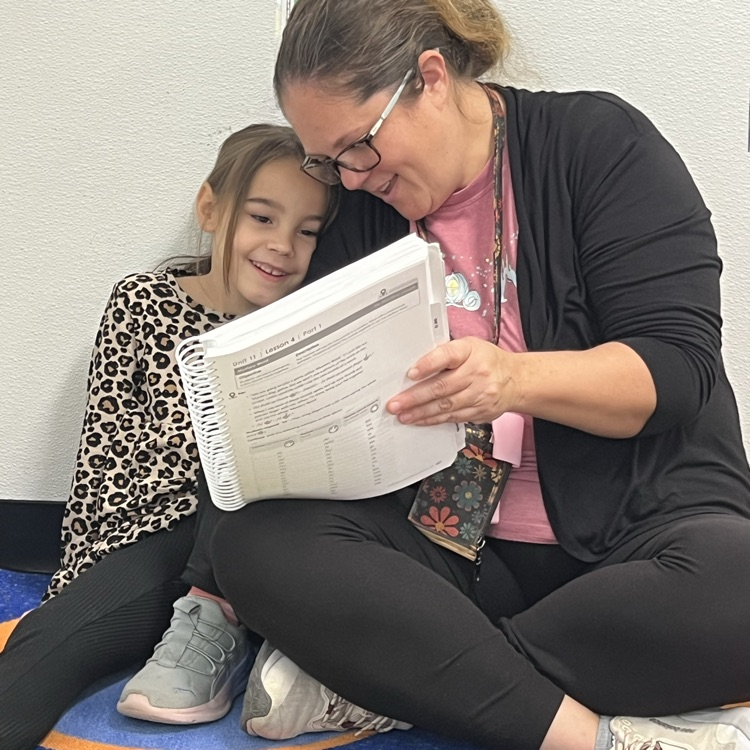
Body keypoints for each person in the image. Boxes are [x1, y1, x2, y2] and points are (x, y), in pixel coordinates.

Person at [196, 1, 750, 749]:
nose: (352, 179)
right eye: (327, 161)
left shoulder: (598, 144)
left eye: (359, 147)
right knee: (253, 543)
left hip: (638, 534)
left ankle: (407, 680)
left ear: (429, 78)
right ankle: (589, 735)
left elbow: (676, 372)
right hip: (450, 550)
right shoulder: (363, 209)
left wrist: (513, 380)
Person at [0, 122, 352, 750]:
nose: (282, 247)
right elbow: (102, 462)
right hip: (152, 543)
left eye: (307, 232)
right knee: (51, 642)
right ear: (212, 209)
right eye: (263, 218)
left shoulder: (302, 331)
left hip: (262, 549)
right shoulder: (144, 303)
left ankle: (248, 637)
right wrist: (79, 577)